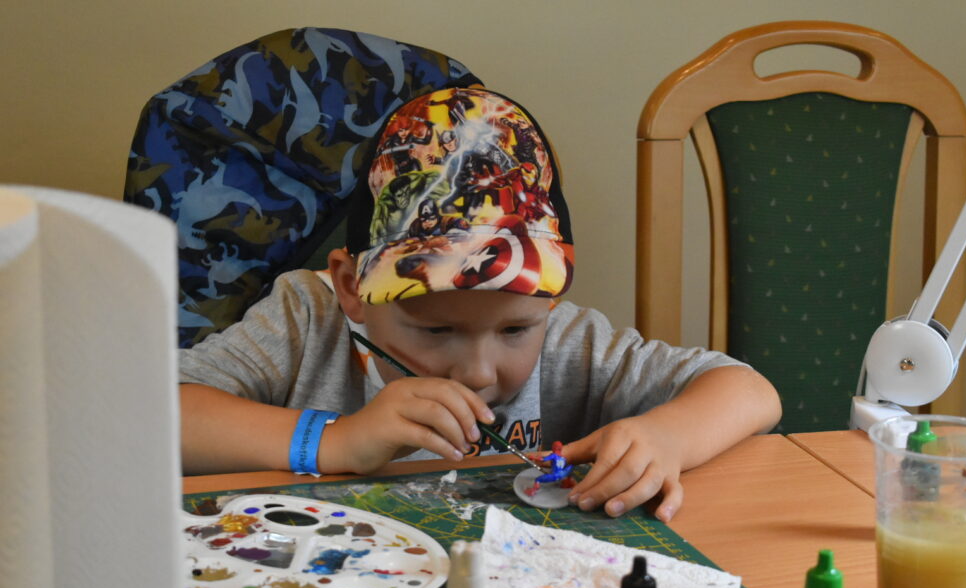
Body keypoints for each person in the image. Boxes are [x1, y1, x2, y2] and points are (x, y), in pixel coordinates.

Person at [178, 87, 781, 522]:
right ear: (352, 288)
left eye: (515, 330)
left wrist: (668, 436)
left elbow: (751, 392)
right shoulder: (307, 317)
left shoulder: (568, 341)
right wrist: (336, 441)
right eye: (436, 330)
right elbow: (155, 412)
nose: (478, 371)